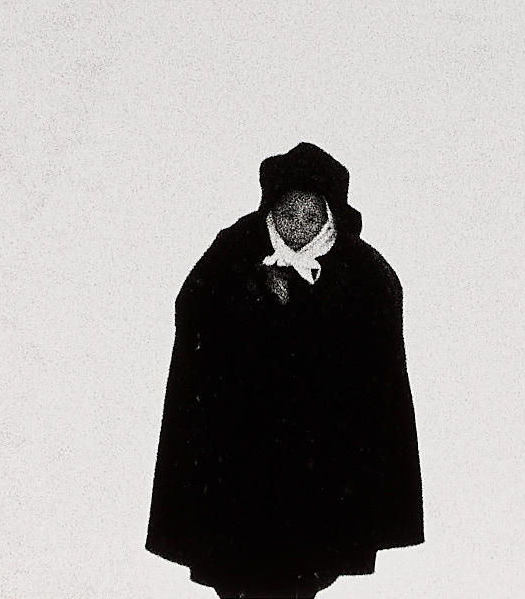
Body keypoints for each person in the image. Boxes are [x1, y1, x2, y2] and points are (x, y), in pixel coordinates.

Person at [146, 142, 424, 599]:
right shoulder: (236, 249)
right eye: (289, 214)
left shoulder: (363, 272)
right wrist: (253, 294)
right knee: (238, 569)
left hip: (318, 464)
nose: (298, 226)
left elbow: (374, 362)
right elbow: (194, 312)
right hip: (237, 458)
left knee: (302, 569)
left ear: (329, 218)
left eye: (311, 217)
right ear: (271, 211)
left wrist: (309, 306)